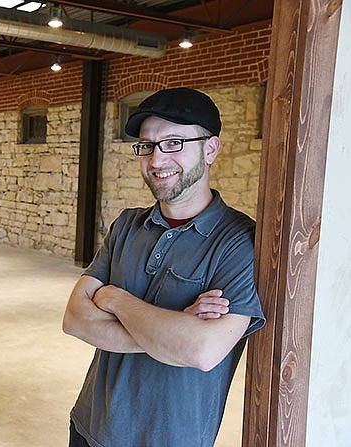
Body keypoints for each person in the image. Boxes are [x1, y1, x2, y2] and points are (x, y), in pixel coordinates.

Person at [62, 87, 265, 447]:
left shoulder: (240, 241)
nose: (156, 160)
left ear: (210, 149)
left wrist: (114, 299)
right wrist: (169, 333)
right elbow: (75, 319)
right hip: (89, 427)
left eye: (174, 143)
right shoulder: (126, 225)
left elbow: (201, 351)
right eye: (146, 146)